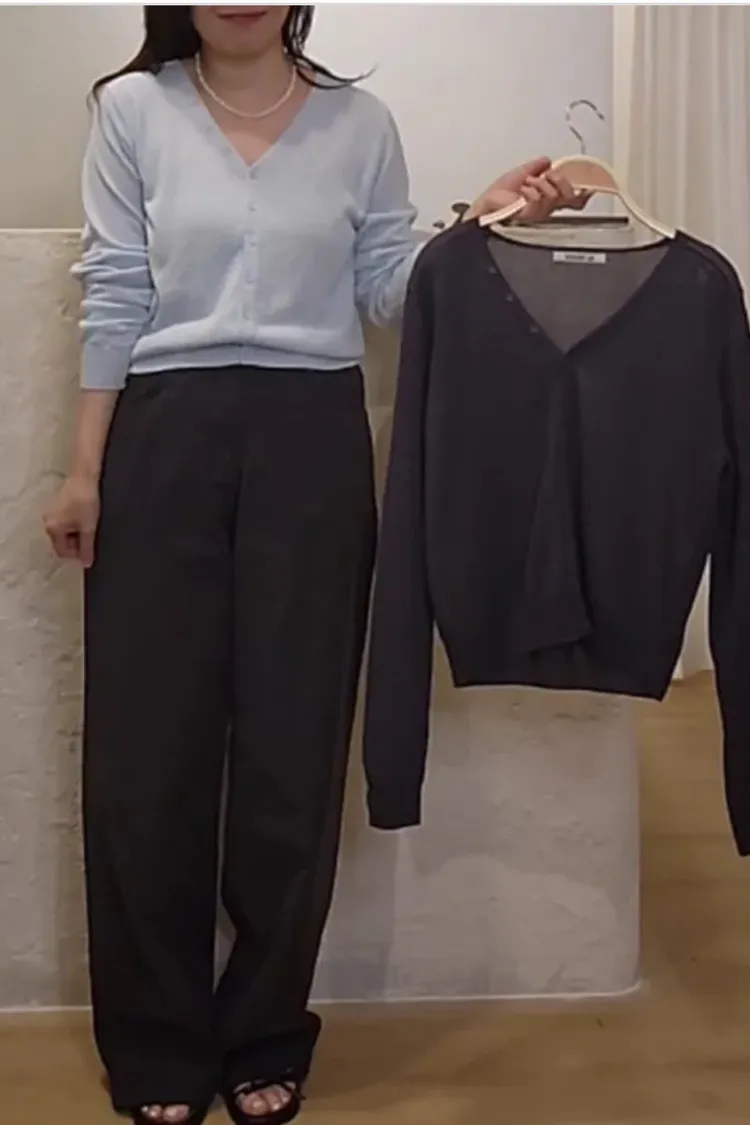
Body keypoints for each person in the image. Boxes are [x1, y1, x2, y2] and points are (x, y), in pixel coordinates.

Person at [43, 7, 587, 1125]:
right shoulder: (133, 110)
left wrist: (478, 228)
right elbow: (117, 288)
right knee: (147, 754)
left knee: (293, 746)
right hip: (165, 433)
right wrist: (85, 471)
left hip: (313, 438)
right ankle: (154, 1038)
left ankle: (263, 1030)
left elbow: (388, 285)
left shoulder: (358, 122)